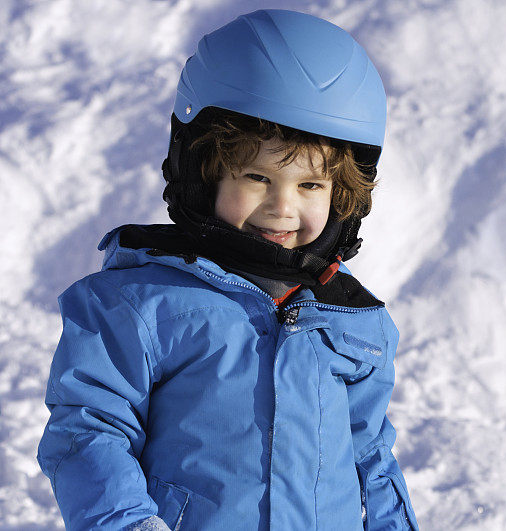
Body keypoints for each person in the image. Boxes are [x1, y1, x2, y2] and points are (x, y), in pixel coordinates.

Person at [36, 9, 419, 530]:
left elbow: (371, 460)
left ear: (344, 197)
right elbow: (89, 430)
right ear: (203, 173)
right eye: (257, 177)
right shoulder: (138, 303)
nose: (282, 208)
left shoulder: (354, 323)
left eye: (310, 186)